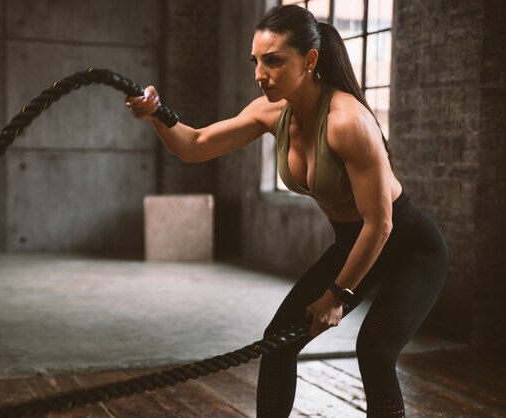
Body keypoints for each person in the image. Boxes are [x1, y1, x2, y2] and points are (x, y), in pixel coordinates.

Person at [125, 5, 448, 418]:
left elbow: (381, 223)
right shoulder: (271, 111)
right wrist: (156, 114)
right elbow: (196, 144)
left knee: (375, 350)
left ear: (309, 60)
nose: (260, 74)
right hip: (354, 242)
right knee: (278, 342)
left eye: (274, 61)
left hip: (408, 247)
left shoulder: (348, 121)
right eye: (256, 61)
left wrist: (336, 295)